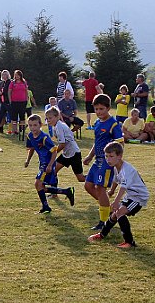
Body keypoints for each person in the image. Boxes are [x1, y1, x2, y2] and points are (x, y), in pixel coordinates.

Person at [88, 141, 149, 248]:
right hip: (131, 195)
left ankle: (129, 242)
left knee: (119, 212)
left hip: (138, 197)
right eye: (106, 156)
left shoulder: (127, 170)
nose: (108, 159)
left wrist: (116, 202)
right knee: (114, 215)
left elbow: (123, 187)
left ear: (119, 156)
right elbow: (116, 180)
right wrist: (111, 191)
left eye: (111, 156)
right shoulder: (116, 167)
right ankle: (102, 235)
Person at [83, 94, 124, 230]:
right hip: (97, 160)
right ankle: (108, 209)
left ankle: (104, 221)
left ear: (108, 108)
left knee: (100, 188)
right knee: (88, 186)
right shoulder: (97, 123)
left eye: (101, 109)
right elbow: (97, 143)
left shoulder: (113, 124)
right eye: (96, 109)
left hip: (107, 162)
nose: (99, 112)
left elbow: (120, 144)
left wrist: (116, 160)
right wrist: (90, 156)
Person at [24, 114, 75, 213]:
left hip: (47, 164)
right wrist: (28, 160)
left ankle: (45, 206)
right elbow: (31, 149)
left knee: (37, 183)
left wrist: (50, 165)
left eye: (35, 125)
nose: (32, 128)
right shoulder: (30, 136)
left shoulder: (44, 137)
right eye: (30, 125)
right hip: (42, 163)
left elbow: (54, 151)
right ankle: (66, 191)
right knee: (41, 187)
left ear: (40, 125)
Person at [45, 107, 85, 183]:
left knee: (81, 178)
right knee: (53, 171)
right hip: (66, 154)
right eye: (47, 119)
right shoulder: (56, 126)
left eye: (50, 118)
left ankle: (98, 181)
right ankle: (54, 193)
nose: (48, 120)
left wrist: (53, 153)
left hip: (74, 153)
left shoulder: (59, 126)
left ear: (57, 117)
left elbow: (62, 144)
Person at [8, 69, 28, 137]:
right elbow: (9, 92)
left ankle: (22, 130)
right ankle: (14, 130)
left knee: (22, 116)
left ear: (20, 75)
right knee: (14, 117)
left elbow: (26, 91)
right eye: (15, 75)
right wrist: (10, 100)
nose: (16, 76)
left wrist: (27, 99)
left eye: (18, 75)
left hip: (23, 101)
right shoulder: (12, 83)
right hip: (14, 102)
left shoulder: (24, 82)